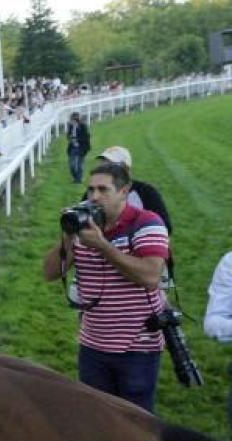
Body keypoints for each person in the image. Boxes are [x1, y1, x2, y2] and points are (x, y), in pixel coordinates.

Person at [42, 163, 170, 412]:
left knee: (135, 421)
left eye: (103, 190)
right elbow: (49, 273)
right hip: (93, 344)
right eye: (90, 190)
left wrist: (103, 247)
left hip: (137, 346)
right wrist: (68, 237)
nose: (94, 197)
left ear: (124, 191)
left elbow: (151, 276)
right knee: (97, 418)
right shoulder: (85, 229)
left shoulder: (146, 223)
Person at [95, 146, 171, 232]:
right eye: (102, 165)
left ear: (126, 169)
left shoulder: (145, 192)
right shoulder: (94, 191)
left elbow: (164, 226)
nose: (104, 170)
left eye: (110, 166)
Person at [66, 113, 90, 184]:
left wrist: (76, 139)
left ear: (76, 120)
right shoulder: (70, 126)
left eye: (72, 119)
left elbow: (86, 137)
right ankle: (76, 177)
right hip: (72, 148)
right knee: (72, 166)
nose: (70, 121)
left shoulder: (83, 126)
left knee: (79, 165)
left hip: (81, 148)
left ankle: (78, 180)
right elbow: (68, 135)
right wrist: (70, 138)